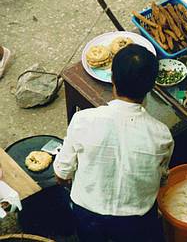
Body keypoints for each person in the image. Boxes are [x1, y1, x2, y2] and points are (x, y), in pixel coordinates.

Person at [54, 44, 174, 242]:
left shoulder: (83, 120)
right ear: (152, 86)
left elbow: (61, 174)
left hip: (87, 216)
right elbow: (161, 179)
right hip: (137, 221)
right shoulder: (161, 135)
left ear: (112, 79)